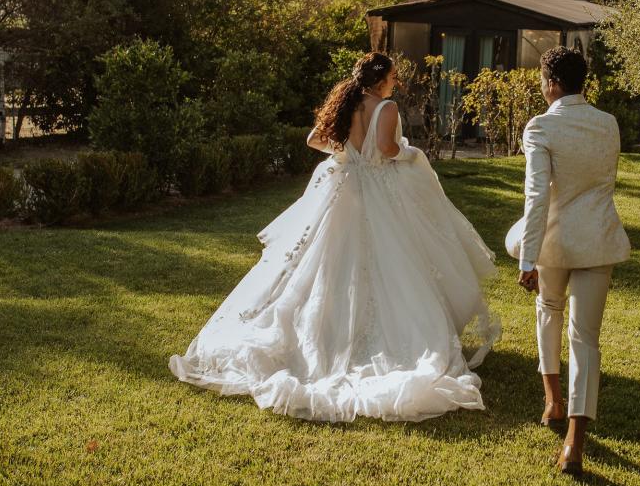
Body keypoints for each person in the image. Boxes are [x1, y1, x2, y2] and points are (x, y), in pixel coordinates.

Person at [169, 52, 500, 423]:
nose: (395, 82)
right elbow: (388, 149)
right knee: (386, 263)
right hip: (375, 189)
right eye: (393, 76)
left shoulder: (345, 98)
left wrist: (346, 154)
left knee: (326, 263)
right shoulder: (385, 106)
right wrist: (409, 152)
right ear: (381, 79)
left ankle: (323, 335)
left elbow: (315, 139)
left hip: (342, 187)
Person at [505, 47, 631, 477]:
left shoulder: (541, 126)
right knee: (586, 339)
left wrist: (528, 256)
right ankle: (575, 443)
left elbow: (537, 196)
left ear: (552, 83)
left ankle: (553, 402)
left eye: (542, 81)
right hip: (597, 236)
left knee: (548, 311)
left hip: (555, 241)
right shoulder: (608, 123)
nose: (542, 88)